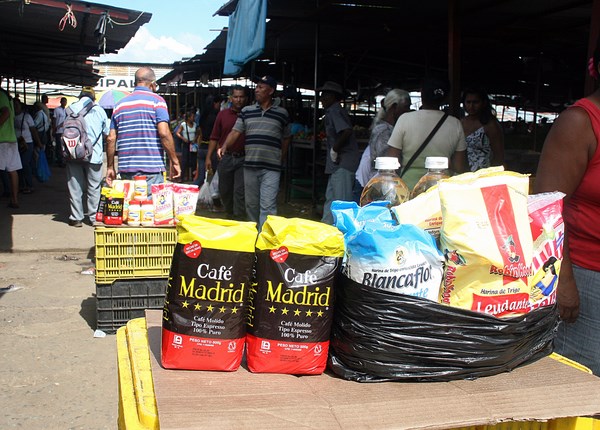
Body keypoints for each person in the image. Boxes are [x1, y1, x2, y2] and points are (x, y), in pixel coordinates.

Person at [533, 44, 600, 375]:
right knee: (585, 378)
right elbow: (546, 206)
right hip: (588, 276)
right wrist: (563, 282)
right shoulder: (580, 123)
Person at [218, 76, 291, 231]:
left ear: (271, 91)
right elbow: (235, 132)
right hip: (250, 165)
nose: (256, 90)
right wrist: (224, 146)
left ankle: (264, 238)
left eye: (261, 87)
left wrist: (281, 157)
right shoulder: (246, 111)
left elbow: (286, 138)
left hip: (271, 167)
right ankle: (254, 236)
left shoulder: (282, 113)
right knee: (251, 204)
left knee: (268, 205)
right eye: (256, 87)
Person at [106, 67, 181, 194]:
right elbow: (164, 133)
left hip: (126, 169)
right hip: (151, 170)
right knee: (148, 210)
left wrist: (110, 167)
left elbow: (111, 138)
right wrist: (174, 161)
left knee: (130, 208)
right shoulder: (158, 101)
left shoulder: (119, 105)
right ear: (152, 84)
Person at [386, 77, 467, 189]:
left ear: (421, 93)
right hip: (440, 188)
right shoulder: (455, 124)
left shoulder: (404, 119)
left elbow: (392, 159)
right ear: (445, 97)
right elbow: (460, 167)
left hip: (409, 188)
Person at [354, 88, 412, 200]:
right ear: (394, 107)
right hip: (375, 188)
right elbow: (386, 166)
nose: (408, 111)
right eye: (406, 107)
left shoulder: (391, 129)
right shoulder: (384, 132)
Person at [64, 87, 110, 227]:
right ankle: (93, 217)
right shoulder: (99, 110)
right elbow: (107, 133)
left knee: (75, 186)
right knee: (94, 187)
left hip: (73, 153)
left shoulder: (70, 109)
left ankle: (76, 217)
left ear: (80, 96)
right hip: (94, 155)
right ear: (93, 98)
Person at [318, 81, 360, 224]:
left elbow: (346, 131)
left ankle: (341, 234)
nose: (321, 99)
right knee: (331, 198)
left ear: (332, 97)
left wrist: (335, 149)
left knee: (341, 202)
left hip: (343, 162)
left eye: (324, 95)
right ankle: (326, 228)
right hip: (338, 165)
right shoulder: (333, 110)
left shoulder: (335, 110)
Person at [209, 85, 248, 220]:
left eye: (241, 97)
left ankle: (239, 218)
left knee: (239, 191)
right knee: (224, 190)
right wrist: (209, 157)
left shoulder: (250, 114)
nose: (239, 100)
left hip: (244, 158)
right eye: (236, 97)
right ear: (231, 98)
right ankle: (229, 213)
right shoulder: (222, 114)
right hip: (225, 157)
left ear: (246, 98)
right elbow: (214, 137)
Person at [460, 87, 504, 171]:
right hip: (461, 173)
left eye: (475, 102)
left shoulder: (491, 125)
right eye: (468, 102)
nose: (471, 106)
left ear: (484, 103)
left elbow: (499, 156)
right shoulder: (460, 123)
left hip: (483, 174)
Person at [14, 99, 42, 194]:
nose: (15, 106)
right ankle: (21, 185)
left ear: (21, 106)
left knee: (25, 164)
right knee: (18, 166)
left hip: (27, 143)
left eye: (17, 104)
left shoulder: (27, 117)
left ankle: (30, 185)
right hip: (16, 143)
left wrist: (38, 143)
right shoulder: (12, 116)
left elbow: (33, 131)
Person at [194, 95, 223, 187]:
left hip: (202, 148)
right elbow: (216, 136)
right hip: (212, 150)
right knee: (216, 176)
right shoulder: (216, 117)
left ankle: (192, 194)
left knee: (201, 177)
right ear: (215, 103)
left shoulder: (202, 117)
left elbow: (200, 133)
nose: (220, 105)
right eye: (219, 103)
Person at [0, 86, 21, 208]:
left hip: (2, 139)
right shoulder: (8, 97)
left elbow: (6, 113)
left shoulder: (0, 96)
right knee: (13, 170)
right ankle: (14, 200)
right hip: (11, 139)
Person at [175, 110, 199, 182]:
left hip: (193, 144)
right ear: (188, 118)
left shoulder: (195, 124)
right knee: (184, 160)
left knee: (193, 160)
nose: (193, 118)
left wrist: (195, 138)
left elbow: (198, 133)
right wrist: (183, 138)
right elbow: (177, 133)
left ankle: (193, 176)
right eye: (192, 117)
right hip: (186, 143)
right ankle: (182, 177)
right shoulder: (183, 124)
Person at [52, 97, 68, 167]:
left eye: (65, 102)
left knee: (63, 147)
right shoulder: (57, 110)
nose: (64, 103)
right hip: (58, 131)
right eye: (63, 101)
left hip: (64, 131)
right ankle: (59, 160)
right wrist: (54, 128)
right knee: (59, 146)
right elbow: (54, 119)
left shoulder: (66, 110)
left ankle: (63, 160)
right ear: (61, 102)